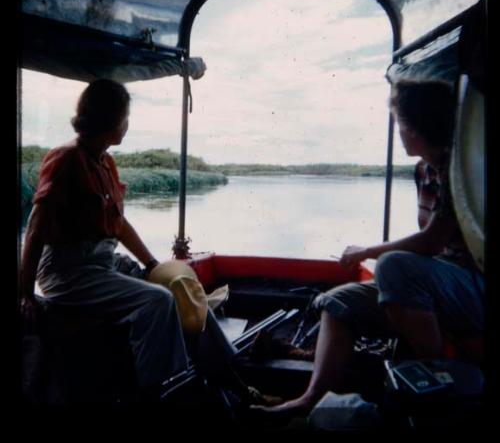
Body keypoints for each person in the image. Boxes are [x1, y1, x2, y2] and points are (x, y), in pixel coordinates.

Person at [20, 78, 268, 405]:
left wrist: (152, 265)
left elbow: (118, 225)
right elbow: (36, 228)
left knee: (182, 291)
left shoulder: (104, 162)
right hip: (68, 272)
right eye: (124, 117)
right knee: (157, 302)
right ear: (109, 121)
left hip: (101, 264)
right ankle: (152, 397)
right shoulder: (65, 159)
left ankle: (233, 380)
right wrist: (24, 293)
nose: (127, 124)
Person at [254, 80, 484, 418]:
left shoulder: (457, 169)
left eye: (399, 124)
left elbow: (432, 240)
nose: (399, 131)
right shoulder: (423, 170)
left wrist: (365, 252)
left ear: (414, 127)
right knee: (338, 301)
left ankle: (433, 388)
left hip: (472, 288)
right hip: (442, 284)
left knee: (392, 266)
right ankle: (309, 400)